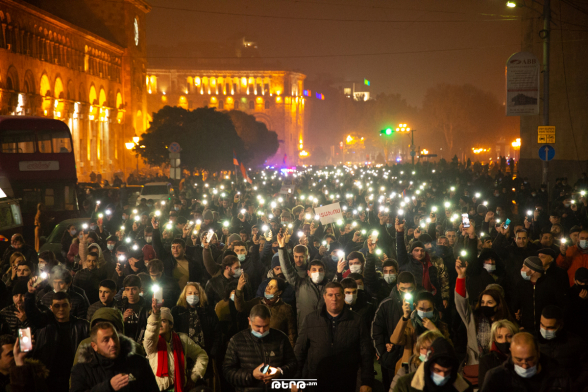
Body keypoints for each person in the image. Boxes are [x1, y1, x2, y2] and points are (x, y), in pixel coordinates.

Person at [295, 281, 374, 392]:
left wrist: (366, 381)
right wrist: (295, 379)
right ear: (324, 297)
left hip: (346, 381)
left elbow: (366, 353)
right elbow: (299, 351)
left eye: (337, 295)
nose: (334, 298)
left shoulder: (357, 320)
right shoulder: (311, 319)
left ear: (343, 296)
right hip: (316, 381)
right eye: (330, 295)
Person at [25, 277, 89, 392]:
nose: (61, 309)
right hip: (49, 377)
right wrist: (30, 294)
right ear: (51, 307)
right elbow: (33, 315)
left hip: (73, 376)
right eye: (57, 306)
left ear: (70, 306)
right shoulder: (45, 323)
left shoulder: (83, 326)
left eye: (64, 305)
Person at [455, 257, 516, 367]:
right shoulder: (473, 318)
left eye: (489, 303)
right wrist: (461, 276)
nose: (485, 306)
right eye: (482, 302)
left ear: (498, 305)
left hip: (501, 366)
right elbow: (461, 303)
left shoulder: (507, 323)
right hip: (476, 365)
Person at [223, 304, 298, 392]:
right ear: (249, 321)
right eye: (258, 326)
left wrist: (280, 372)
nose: (262, 331)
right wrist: (251, 375)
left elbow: (293, 364)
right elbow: (227, 371)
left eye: (266, 326)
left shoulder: (281, 338)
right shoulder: (237, 341)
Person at [70, 321, 159, 392]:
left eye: (114, 337)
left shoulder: (138, 363)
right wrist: (107, 387)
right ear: (94, 346)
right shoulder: (81, 370)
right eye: (106, 340)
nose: (112, 343)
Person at [144, 300, 209, 391]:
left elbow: (202, 355)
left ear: (171, 325)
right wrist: (155, 314)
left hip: (181, 387)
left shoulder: (182, 339)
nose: (160, 324)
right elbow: (150, 333)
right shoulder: (152, 343)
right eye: (158, 322)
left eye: (163, 321)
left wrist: (195, 375)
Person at [480, 332, 573, 392]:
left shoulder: (558, 376)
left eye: (529, 359)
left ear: (538, 353)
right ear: (511, 353)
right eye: (519, 360)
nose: (524, 366)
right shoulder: (496, 378)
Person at [372, 271, 417, 389]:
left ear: (415, 286)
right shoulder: (386, 304)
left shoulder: (421, 303)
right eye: (403, 289)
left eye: (410, 289)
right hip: (391, 359)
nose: (407, 292)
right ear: (397, 287)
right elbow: (376, 329)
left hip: (416, 358)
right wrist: (382, 353)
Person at [171, 281, 221, 387]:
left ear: (200, 295)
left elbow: (217, 333)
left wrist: (212, 353)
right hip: (184, 355)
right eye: (189, 293)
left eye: (196, 293)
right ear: (184, 295)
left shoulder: (208, 311)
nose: (193, 296)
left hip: (204, 355)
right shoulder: (176, 311)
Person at [390, 291, 451, 375]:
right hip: (412, 369)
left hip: (434, 368)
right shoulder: (409, 324)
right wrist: (405, 317)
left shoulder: (441, 326)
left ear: (434, 307)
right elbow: (395, 340)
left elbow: (448, 349)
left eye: (429, 309)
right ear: (415, 306)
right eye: (421, 309)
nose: (425, 312)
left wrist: (434, 330)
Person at [278, 232, 328, 332]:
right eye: (296, 257)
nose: (299, 260)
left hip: (323, 327)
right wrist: (282, 248)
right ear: (309, 273)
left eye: (320, 270)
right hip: (304, 326)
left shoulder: (327, 285)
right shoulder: (300, 283)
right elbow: (287, 269)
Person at [234, 274, 296, 347]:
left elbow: (291, 335)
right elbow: (240, 307)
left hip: (274, 348)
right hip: (254, 346)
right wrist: (239, 289)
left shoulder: (286, 309)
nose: (268, 288)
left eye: (272, 287)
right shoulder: (257, 302)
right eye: (268, 285)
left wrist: (290, 353)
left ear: (279, 292)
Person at [393, 336, 472, 392]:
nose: (442, 376)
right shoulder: (405, 385)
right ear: (428, 366)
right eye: (437, 370)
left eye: (447, 371)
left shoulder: (464, 388)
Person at [537, 305, 588, 389]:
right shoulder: (534, 341)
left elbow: (586, 369)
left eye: (550, 327)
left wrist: (573, 387)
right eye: (542, 325)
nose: (545, 330)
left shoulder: (576, 343)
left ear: (560, 325)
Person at [513, 256, 565, 331]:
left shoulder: (551, 284)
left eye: (524, 267)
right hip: (527, 328)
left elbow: (560, 304)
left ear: (533, 270)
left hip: (546, 328)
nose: (521, 270)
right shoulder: (521, 285)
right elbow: (516, 305)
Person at [478, 320, 519, 387]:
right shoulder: (486, 360)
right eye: (500, 337)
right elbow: (483, 387)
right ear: (494, 339)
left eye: (509, 336)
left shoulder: (521, 357)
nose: (504, 341)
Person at [115, 274, 149, 342]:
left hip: (142, 343)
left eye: (133, 289)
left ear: (139, 290)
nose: (130, 293)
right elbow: (114, 328)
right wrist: (122, 320)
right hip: (123, 343)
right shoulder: (118, 306)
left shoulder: (147, 306)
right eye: (127, 289)